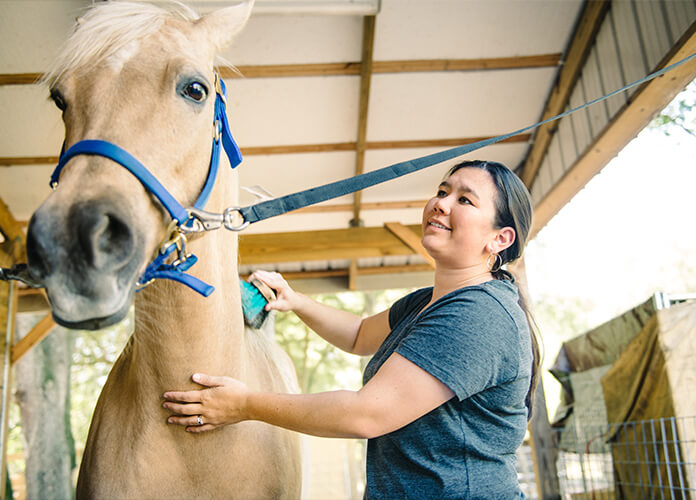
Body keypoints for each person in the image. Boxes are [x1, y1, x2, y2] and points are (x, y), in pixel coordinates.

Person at [163, 160, 541, 499]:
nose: (441, 202)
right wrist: (296, 301)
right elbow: (361, 334)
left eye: (465, 200)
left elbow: (366, 414)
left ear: (500, 238)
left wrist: (243, 404)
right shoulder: (429, 302)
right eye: (443, 191)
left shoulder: (480, 315)